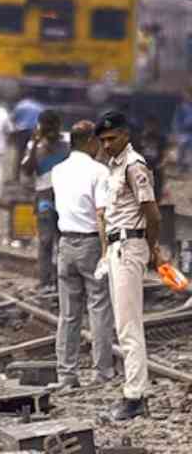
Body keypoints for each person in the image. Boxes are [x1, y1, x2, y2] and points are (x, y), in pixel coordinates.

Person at [96, 111, 164, 421]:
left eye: (112, 138)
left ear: (126, 135)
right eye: (103, 140)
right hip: (117, 247)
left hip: (129, 246)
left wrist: (153, 249)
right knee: (124, 325)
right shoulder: (114, 167)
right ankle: (135, 391)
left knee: (128, 326)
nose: (107, 145)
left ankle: (135, 396)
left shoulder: (134, 166)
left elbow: (152, 213)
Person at [50, 121, 117, 390]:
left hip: (65, 243)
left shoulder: (58, 170)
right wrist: (106, 251)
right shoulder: (99, 171)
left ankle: (66, 374)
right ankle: (102, 372)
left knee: (68, 313)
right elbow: (102, 214)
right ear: (90, 141)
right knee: (99, 309)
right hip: (91, 243)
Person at [21, 110, 70, 294]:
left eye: (52, 127)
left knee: (63, 240)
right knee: (45, 239)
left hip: (66, 196)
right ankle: (44, 280)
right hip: (44, 196)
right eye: (45, 126)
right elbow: (27, 170)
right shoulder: (34, 144)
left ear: (58, 126)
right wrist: (35, 146)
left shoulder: (68, 142)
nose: (49, 131)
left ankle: (61, 280)